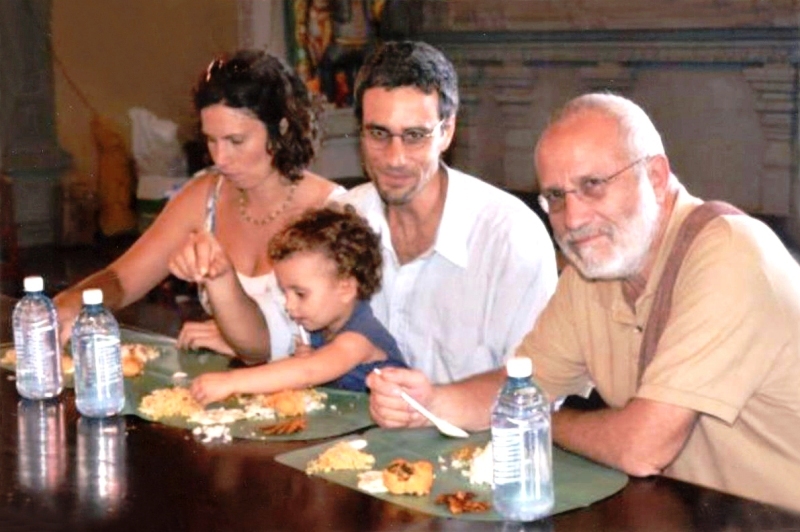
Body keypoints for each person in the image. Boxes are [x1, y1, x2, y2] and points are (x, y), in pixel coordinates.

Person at [382, 92, 800, 511]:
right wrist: (430, 401)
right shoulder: (595, 268)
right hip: (691, 514)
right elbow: (521, 387)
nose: (575, 219)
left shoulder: (730, 253)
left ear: (655, 176)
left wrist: (541, 422)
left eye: (593, 186)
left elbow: (642, 448)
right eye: (557, 198)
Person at [54, 50, 344, 363]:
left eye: (235, 141)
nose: (220, 158)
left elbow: (347, 341)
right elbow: (123, 279)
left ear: (282, 129)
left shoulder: (332, 211)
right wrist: (74, 300)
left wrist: (242, 341)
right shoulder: (205, 195)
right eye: (211, 140)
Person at [339, 41, 558, 423]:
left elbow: (541, 385)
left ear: (447, 131)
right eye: (378, 134)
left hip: (479, 461)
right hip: (353, 449)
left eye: (414, 135)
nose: (395, 158)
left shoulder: (510, 237)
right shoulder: (342, 218)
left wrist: (434, 404)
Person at [189, 205, 407, 405]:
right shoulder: (323, 330)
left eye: (300, 294)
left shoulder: (358, 339)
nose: (289, 305)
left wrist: (232, 381)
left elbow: (307, 372)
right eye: (285, 292)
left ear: (346, 288)